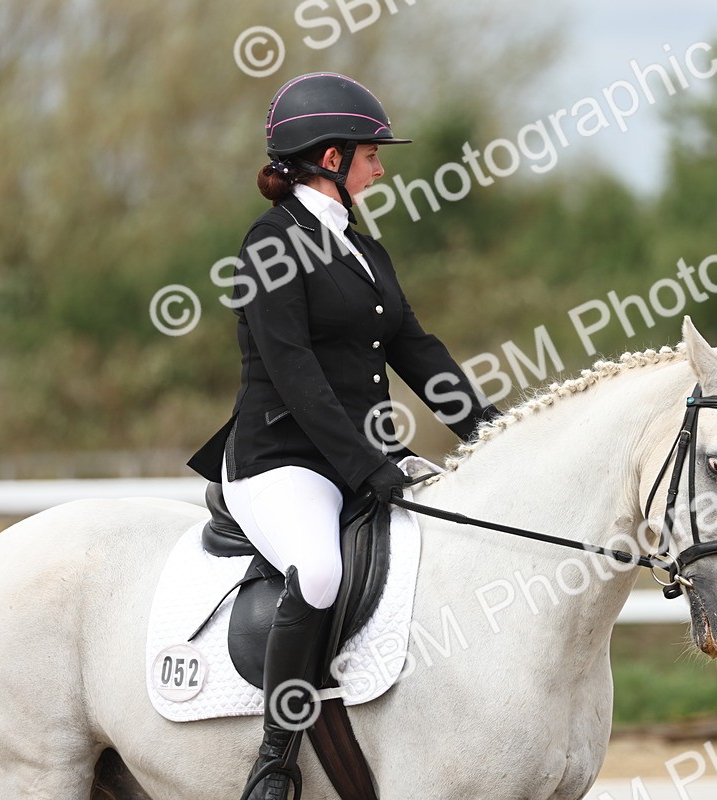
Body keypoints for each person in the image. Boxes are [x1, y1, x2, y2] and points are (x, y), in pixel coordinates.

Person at [186, 72, 498, 800]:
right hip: (280, 459)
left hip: (358, 456)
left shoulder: (363, 250)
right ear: (330, 158)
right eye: (370, 152)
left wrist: (494, 430)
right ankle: (274, 757)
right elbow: (298, 379)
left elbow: (415, 349)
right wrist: (369, 467)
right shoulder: (269, 246)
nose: (381, 165)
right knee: (320, 572)